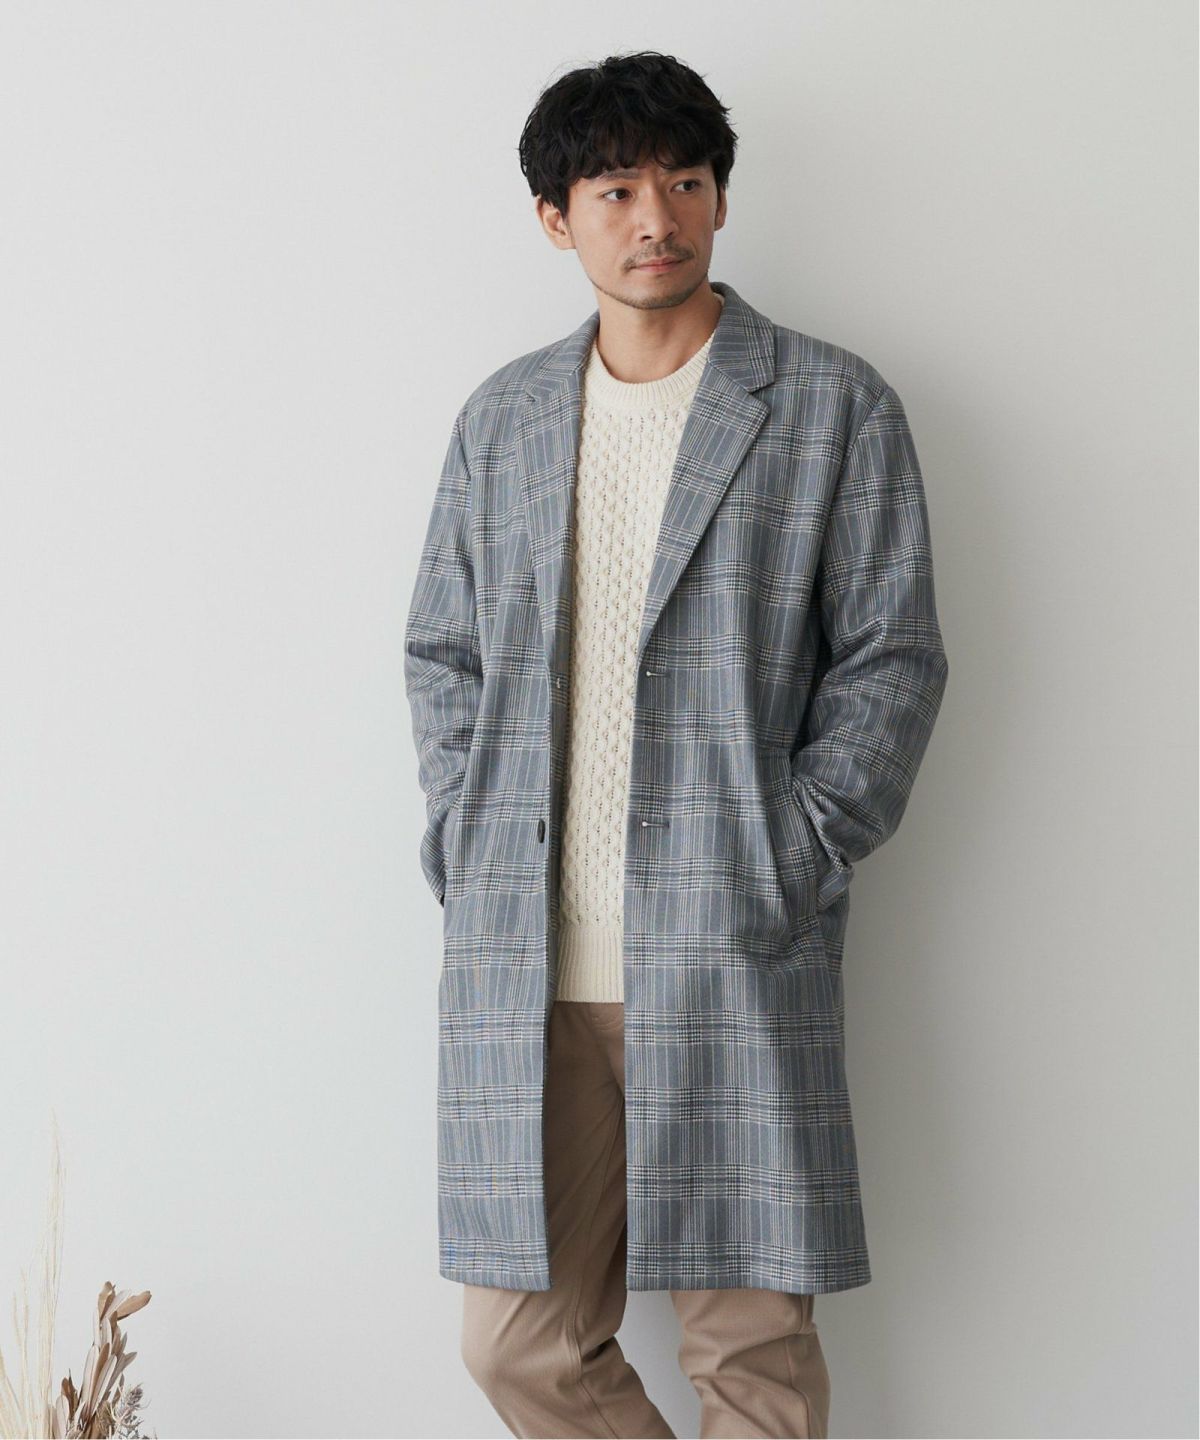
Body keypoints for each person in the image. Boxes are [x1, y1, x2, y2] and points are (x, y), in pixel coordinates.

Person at [404, 49, 949, 1440]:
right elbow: (444, 654)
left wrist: (790, 851)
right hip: (532, 966)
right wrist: (468, 837)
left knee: (750, 1359)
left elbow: (892, 659)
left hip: (730, 944)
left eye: (686, 183)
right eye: (617, 190)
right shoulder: (504, 422)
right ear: (557, 218)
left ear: (717, 198)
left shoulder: (830, 404)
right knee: (520, 1348)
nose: (658, 218)